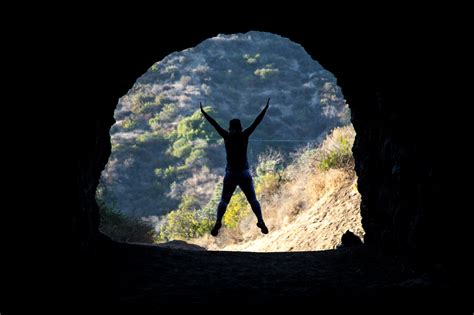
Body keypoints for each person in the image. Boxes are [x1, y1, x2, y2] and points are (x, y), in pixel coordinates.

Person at [200, 98, 270, 236]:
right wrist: (265, 109)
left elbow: (214, 123)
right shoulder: (245, 135)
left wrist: (203, 112)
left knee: (224, 201)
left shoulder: (226, 136)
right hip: (244, 174)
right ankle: (260, 220)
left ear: (229, 128)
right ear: (241, 127)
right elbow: (256, 121)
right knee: (253, 200)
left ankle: (218, 221)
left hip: (230, 174)